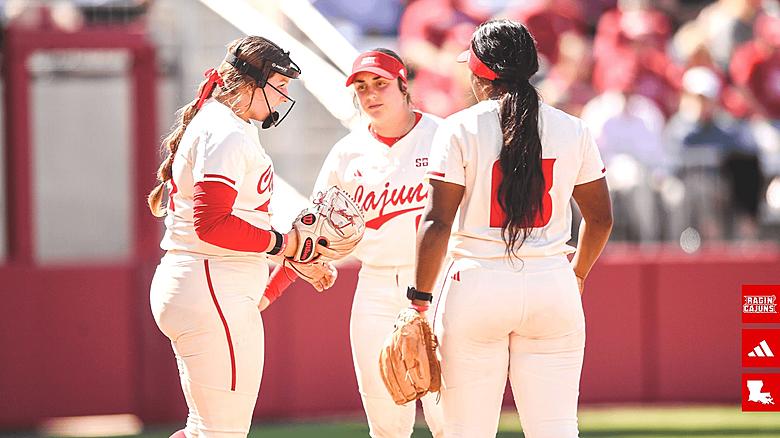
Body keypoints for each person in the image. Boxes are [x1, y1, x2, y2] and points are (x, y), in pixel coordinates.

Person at [412, 20, 613, 438]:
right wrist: (576, 273)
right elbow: (600, 218)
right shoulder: (573, 128)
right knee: (557, 430)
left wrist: (417, 300)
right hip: (551, 284)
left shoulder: (459, 127)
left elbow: (438, 221)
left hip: (477, 283)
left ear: (480, 72)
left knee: (467, 431)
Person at [147, 35, 335, 438]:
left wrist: (288, 255)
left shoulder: (226, 125)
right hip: (210, 281)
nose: (284, 99)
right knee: (222, 433)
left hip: (204, 281)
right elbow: (212, 224)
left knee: (204, 430)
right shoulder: (225, 132)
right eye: (280, 87)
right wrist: (283, 244)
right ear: (250, 82)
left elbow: (235, 217)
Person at [263, 49, 444, 438]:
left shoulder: (443, 137)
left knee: (452, 419)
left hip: (440, 282)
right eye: (362, 88)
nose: (371, 95)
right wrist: (275, 288)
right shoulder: (347, 153)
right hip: (375, 287)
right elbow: (313, 234)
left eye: (380, 84)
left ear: (403, 83)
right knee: (385, 421)